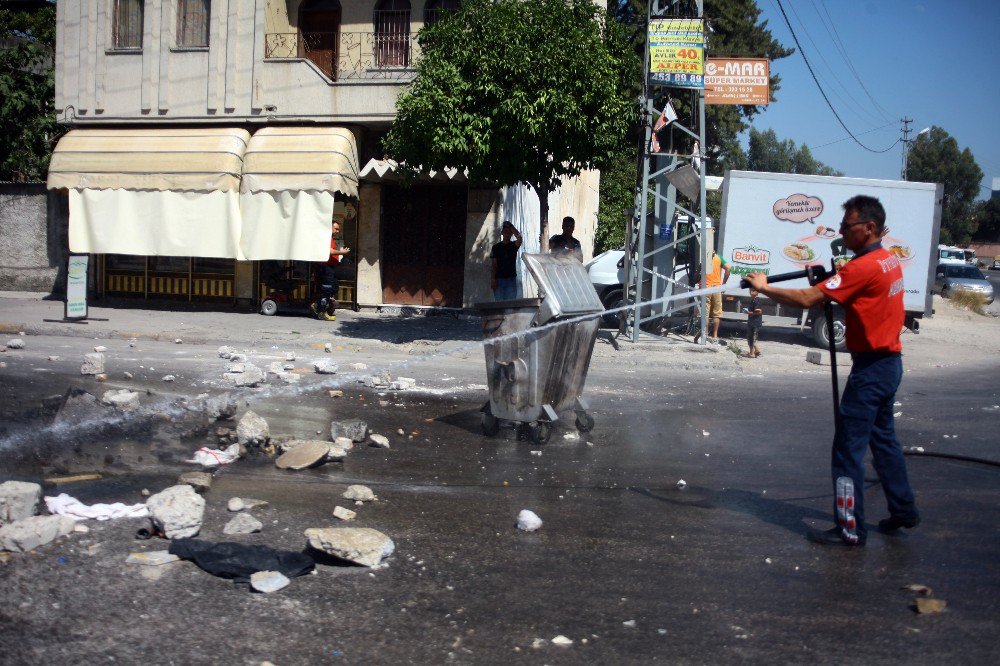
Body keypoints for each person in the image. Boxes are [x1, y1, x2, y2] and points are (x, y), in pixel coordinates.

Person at [744, 195, 919, 547]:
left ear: (868, 228)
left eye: (847, 226)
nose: (840, 232)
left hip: (871, 371)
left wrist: (764, 288)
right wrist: (829, 278)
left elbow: (809, 299)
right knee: (884, 442)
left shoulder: (862, 268)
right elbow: (848, 287)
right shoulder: (886, 259)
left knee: (847, 450)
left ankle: (850, 528)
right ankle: (904, 511)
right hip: (888, 365)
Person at [310, 220, 350, 321]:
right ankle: (321, 310)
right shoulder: (326, 237)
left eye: (338, 229)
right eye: (336, 229)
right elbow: (329, 251)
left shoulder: (330, 238)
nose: (337, 231)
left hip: (331, 267)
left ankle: (319, 305)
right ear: (330, 227)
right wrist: (342, 252)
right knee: (327, 289)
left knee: (333, 288)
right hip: (326, 267)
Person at [490, 220, 522, 301]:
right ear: (502, 233)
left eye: (509, 232)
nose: (507, 233)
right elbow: (494, 265)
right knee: (499, 304)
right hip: (499, 279)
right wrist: (493, 279)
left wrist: (511, 226)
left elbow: (519, 238)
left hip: (511, 279)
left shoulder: (513, 246)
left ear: (511, 234)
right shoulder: (496, 247)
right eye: (505, 231)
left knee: (511, 304)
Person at [705, 250, 730, 343]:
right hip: (717, 288)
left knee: (705, 313)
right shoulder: (719, 257)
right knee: (717, 313)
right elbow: (728, 268)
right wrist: (724, 283)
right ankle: (715, 336)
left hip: (706, 287)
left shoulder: (704, 257)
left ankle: (705, 334)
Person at [744, 289, 763, 358]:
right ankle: (753, 352)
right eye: (750, 291)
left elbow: (759, 311)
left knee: (751, 338)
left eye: (753, 291)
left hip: (755, 323)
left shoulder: (756, 300)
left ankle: (754, 352)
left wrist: (748, 312)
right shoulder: (753, 300)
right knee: (750, 338)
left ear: (758, 292)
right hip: (752, 322)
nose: (751, 292)